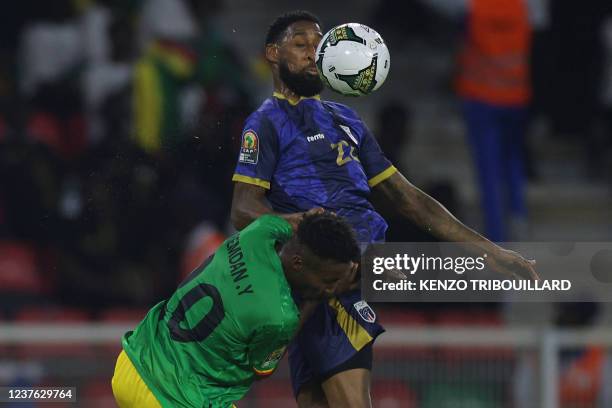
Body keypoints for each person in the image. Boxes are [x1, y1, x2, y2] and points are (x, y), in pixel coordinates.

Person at [230, 10, 539, 407]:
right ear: (272, 53)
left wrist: (489, 251)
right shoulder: (266, 123)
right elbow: (243, 209)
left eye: (318, 45)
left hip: (346, 279)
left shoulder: (346, 120)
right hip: (327, 283)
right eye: (300, 44)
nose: (312, 54)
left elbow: (409, 199)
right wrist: (301, 224)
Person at [111, 210, 360, 408]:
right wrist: (319, 299)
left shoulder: (259, 232)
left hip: (132, 364)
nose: (330, 288)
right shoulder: (280, 316)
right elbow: (262, 369)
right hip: (176, 399)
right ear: (298, 263)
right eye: (328, 281)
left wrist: (320, 221)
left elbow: (295, 223)